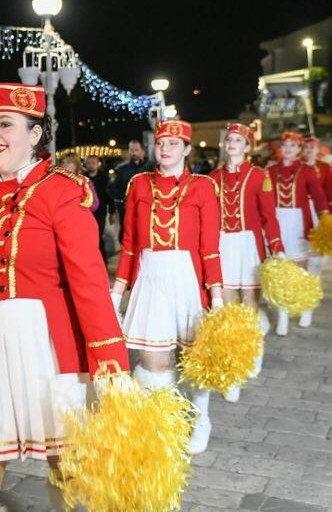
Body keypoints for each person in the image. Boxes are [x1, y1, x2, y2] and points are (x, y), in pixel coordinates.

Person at [0, 82, 128, 511]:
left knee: (70, 472)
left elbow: (89, 284)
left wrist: (112, 367)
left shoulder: (61, 190)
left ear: (35, 135)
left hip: (48, 349)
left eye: (5, 124)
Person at [113, 118, 222, 454]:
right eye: (161, 143)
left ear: (187, 149)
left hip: (187, 279)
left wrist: (216, 295)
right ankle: (160, 423)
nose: (165, 149)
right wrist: (118, 291)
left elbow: (210, 247)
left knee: (193, 359)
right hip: (150, 277)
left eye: (174, 144)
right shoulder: (139, 185)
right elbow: (129, 242)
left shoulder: (203, 187)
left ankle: (200, 418)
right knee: (153, 362)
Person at [210, 123, 283, 402]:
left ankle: (253, 352)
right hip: (223, 245)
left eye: (238, 140)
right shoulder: (213, 177)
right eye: (229, 139)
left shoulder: (258, 176)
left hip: (249, 246)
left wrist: (277, 248)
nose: (232, 144)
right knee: (228, 308)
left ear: (247, 147)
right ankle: (234, 365)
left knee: (250, 304)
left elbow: (269, 216)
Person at [268, 130, 329, 334]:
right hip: (277, 223)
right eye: (285, 145)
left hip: (300, 225)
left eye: (293, 146)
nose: (288, 149)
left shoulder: (306, 170)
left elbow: (319, 197)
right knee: (280, 271)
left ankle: (305, 307)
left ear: (299, 150)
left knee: (301, 271)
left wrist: (327, 220)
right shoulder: (270, 171)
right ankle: (282, 315)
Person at [302, 136, 332, 277]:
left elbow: (330, 192)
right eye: (306, 147)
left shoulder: (325, 167)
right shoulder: (298, 166)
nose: (309, 150)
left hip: (320, 209)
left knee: (321, 244)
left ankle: (315, 272)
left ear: (317, 149)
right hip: (301, 209)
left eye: (312, 147)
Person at [107, 139, 153, 243]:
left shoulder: (151, 168)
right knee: (125, 236)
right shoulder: (121, 169)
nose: (134, 153)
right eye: (131, 150)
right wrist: (123, 199)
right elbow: (111, 188)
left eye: (136, 150)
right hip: (127, 210)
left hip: (147, 209)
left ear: (142, 151)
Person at [84, 154, 111, 261]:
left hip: (100, 212)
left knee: (98, 235)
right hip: (86, 213)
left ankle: (102, 260)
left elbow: (109, 196)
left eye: (93, 163)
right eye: (88, 163)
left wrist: (112, 212)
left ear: (98, 164)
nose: (91, 165)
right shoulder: (82, 178)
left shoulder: (104, 178)